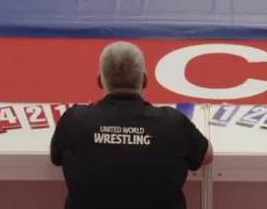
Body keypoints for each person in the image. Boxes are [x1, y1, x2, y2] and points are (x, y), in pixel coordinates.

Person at [51, 42, 212, 209]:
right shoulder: (174, 123)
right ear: (145, 80)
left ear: (99, 80)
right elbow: (206, 155)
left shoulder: (74, 120)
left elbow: (56, 157)